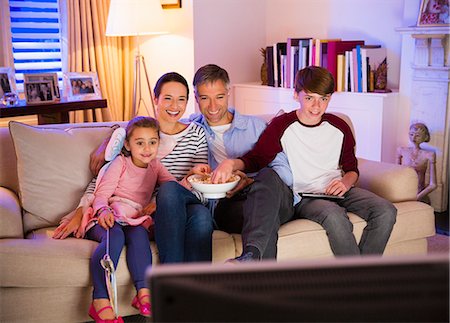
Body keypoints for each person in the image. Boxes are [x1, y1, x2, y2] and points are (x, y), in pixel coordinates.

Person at [212, 66, 397, 256]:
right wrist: (231, 164)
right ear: (296, 95)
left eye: (323, 99)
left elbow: (352, 168)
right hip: (305, 196)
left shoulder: (340, 126)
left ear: (329, 98)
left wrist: (345, 183)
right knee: (334, 216)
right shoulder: (281, 125)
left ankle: (365, 275)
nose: (316, 106)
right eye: (309, 98)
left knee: (386, 211)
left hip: (339, 189)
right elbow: (257, 159)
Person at [56, 116, 180, 322]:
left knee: (140, 236)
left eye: (152, 142)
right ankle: (100, 300)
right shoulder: (120, 163)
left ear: (159, 142)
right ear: (128, 145)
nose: (147, 148)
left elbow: (173, 188)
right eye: (140, 143)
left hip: (133, 218)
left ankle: (143, 293)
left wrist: (189, 178)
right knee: (114, 237)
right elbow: (101, 194)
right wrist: (103, 210)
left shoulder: (156, 166)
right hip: (107, 214)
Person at [86, 72, 213, 264]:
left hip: (186, 198)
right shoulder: (140, 133)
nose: (174, 106)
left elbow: (202, 186)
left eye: (181, 100)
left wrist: (165, 197)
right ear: (156, 99)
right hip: (152, 211)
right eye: (167, 98)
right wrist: (84, 207)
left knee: (177, 195)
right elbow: (106, 177)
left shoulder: (196, 134)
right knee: (201, 217)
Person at [190, 64, 294, 261]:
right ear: (196, 98)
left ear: (228, 93)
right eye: (205, 98)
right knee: (262, 219)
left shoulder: (256, 126)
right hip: (229, 206)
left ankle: (251, 260)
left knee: (267, 177)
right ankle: (252, 258)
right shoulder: (191, 131)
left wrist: (249, 181)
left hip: (271, 196)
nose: (213, 107)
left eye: (219, 97)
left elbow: (286, 174)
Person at [396, 123, 437, 202]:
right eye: (411, 134)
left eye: (417, 135)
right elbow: (396, 174)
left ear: (425, 137)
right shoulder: (401, 150)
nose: (413, 137)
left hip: (419, 194)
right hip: (403, 192)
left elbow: (433, 185)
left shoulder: (429, 155)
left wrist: (417, 197)